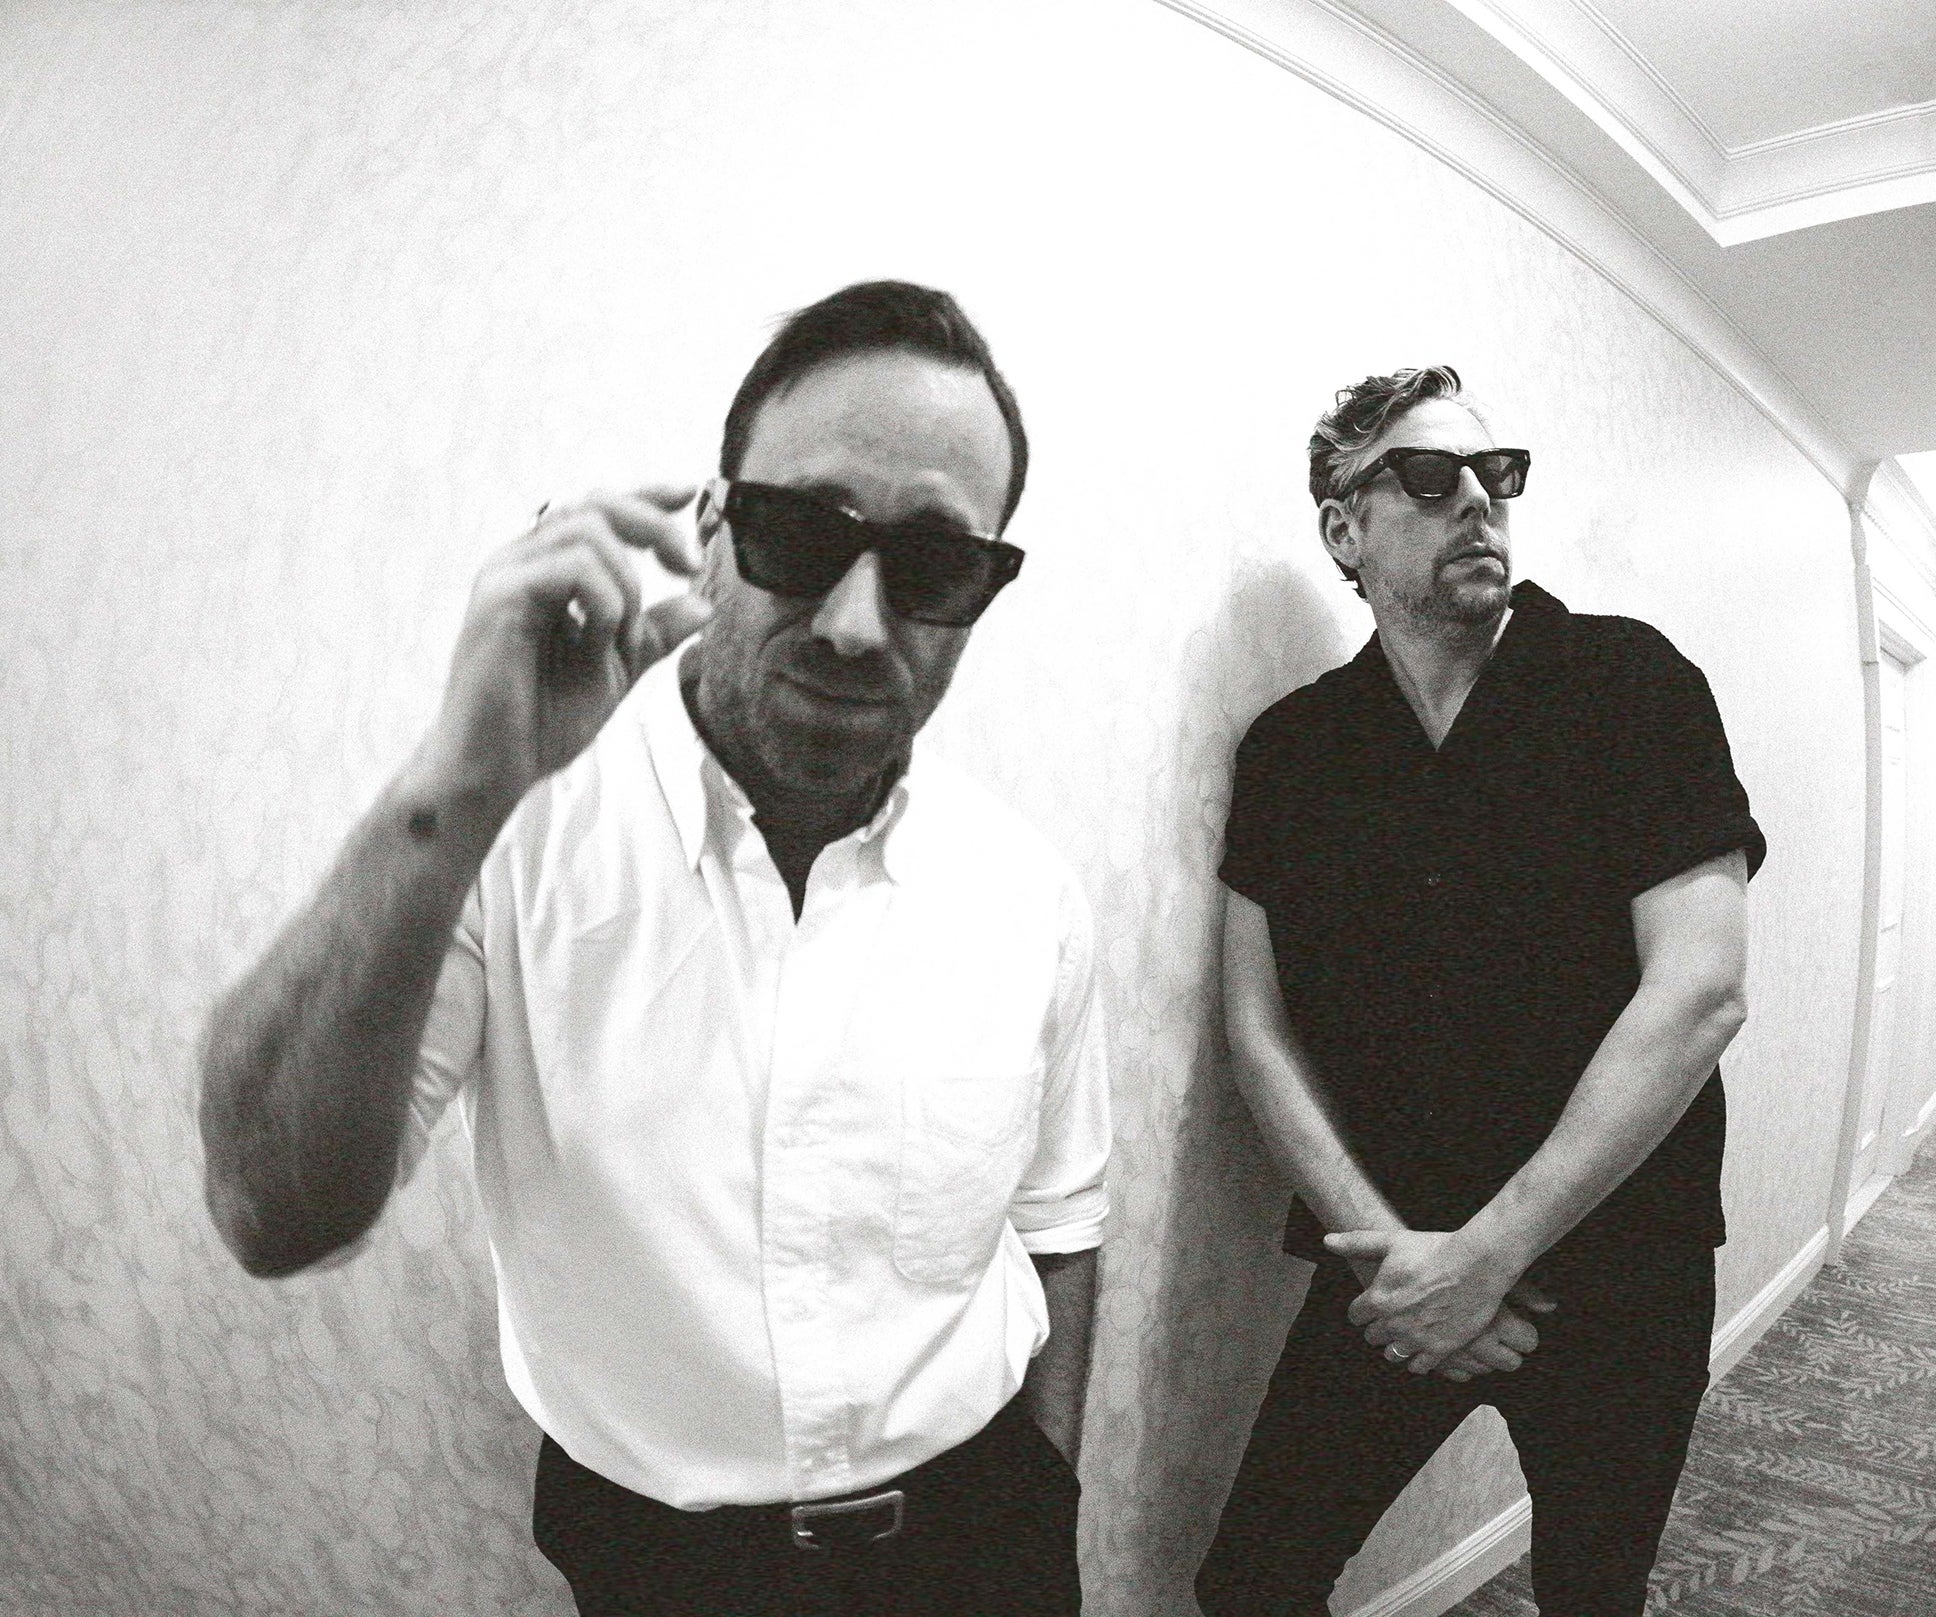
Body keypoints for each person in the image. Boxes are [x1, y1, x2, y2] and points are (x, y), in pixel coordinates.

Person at [197, 281, 1107, 1617]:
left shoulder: (1028, 891)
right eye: (802, 532)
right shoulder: (508, 837)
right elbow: (271, 1215)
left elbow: (1061, 1224)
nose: (856, 624)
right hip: (669, 1569)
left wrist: (1048, 1482)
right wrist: (453, 783)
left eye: (932, 565)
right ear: (713, 530)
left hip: (983, 1539)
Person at [1195, 365, 1763, 1616]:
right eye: (1426, 476)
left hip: (1621, 1267)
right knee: (1248, 1585)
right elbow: (1255, 1030)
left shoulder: (1629, 683)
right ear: (1343, 529)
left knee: (1591, 1593)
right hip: (1388, 1265)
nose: (1476, 500)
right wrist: (1401, 1269)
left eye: (1495, 475)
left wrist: (1487, 1258)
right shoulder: (1292, 749)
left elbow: (1701, 992)